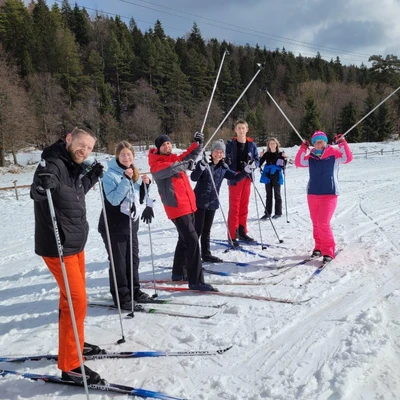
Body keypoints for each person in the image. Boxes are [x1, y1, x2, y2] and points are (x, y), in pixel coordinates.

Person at [30, 127, 106, 385]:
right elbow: (39, 190)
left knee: (70, 302)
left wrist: (90, 179)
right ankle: (72, 366)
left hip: (75, 244)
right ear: (69, 139)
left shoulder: (72, 166)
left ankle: (75, 346)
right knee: (77, 301)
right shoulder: (51, 162)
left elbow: (71, 195)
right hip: (58, 245)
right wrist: (42, 187)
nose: (84, 151)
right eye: (81, 145)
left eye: (89, 149)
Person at [148, 132, 216, 291]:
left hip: (188, 204)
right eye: (164, 145)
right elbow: (172, 168)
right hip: (176, 208)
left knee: (184, 239)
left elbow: (187, 155)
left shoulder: (174, 158)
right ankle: (196, 280)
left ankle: (178, 272)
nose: (167, 146)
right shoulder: (156, 165)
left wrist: (197, 143)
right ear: (158, 149)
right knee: (192, 241)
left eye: (169, 144)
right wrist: (187, 164)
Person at [98, 141, 154, 308]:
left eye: (129, 154)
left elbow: (138, 199)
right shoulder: (110, 175)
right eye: (122, 154)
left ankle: (134, 291)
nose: (126, 157)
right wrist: (125, 179)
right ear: (117, 156)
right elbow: (114, 200)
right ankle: (122, 297)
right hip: (113, 226)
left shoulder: (133, 172)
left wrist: (145, 185)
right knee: (119, 263)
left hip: (131, 225)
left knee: (133, 260)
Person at [294, 130, 353, 263]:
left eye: (322, 141)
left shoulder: (334, 154)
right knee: (316, 223)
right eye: (316, 142)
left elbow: (347, 158)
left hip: (329, 193)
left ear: (326, 142)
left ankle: (328, 251)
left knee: (323, 222)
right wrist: (303, 147)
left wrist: (342, 142)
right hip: (313, 193)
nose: (319, 144)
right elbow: (298, 162)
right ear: (313, 144)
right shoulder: (311, 157)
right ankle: (318, 247)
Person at [191, 139, 252, 262]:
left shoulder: (223, 168)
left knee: (206, 230)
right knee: (197, 231)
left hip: (212, 203)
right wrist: (201, 167)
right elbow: (194, 177)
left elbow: (235, 177)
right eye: (216, 151)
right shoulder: (204, 163)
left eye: (221, 152)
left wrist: (246, 170)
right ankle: (190, 258)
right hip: (199, 202)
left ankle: (206, 254)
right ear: (212, 152)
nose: (218, 154)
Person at [225, 119, 259, 245]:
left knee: (244, 205)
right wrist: (227, 160)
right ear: (235, 130)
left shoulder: (252, 144)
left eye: (243, 128)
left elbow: (257, 159)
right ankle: (232, 235)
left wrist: (253, 165)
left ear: (247, 129)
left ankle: (242, 231)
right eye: (238, 128)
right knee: (234, 207)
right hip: (235, 177)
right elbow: (226, 159)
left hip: (247, 177)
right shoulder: (230, 143)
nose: (241, 130)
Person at [259, 137, 288, 220]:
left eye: (273, 143)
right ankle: (267, 213)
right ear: (268, 145)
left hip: (276, 175)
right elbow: (259, 164)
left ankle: (278, 212)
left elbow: (283, 166)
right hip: (268, 175)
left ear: (276, 144)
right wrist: (260, 157)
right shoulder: (266, 154)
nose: (272, 145)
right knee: (268, 195)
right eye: (270, 143)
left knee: (277, 194)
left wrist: (285, 158)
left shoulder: (280, 154)